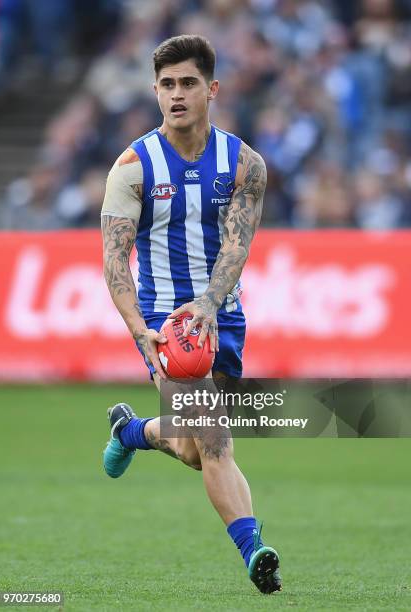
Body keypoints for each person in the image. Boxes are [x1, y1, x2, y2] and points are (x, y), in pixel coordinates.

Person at [100, 34, 282, 595]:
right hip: (165, 325)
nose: (176, 95)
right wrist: (141, 330)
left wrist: (208, 302)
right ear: (155, 91)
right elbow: (114, 260)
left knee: (188, 447)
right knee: (214, 437)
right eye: (166, 85)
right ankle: (256, 553)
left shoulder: (244, 163)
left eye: (188, 83)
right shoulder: (133, 167)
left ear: (212, 89)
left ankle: (133, 432)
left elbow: (237, 246)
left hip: (221, 315)